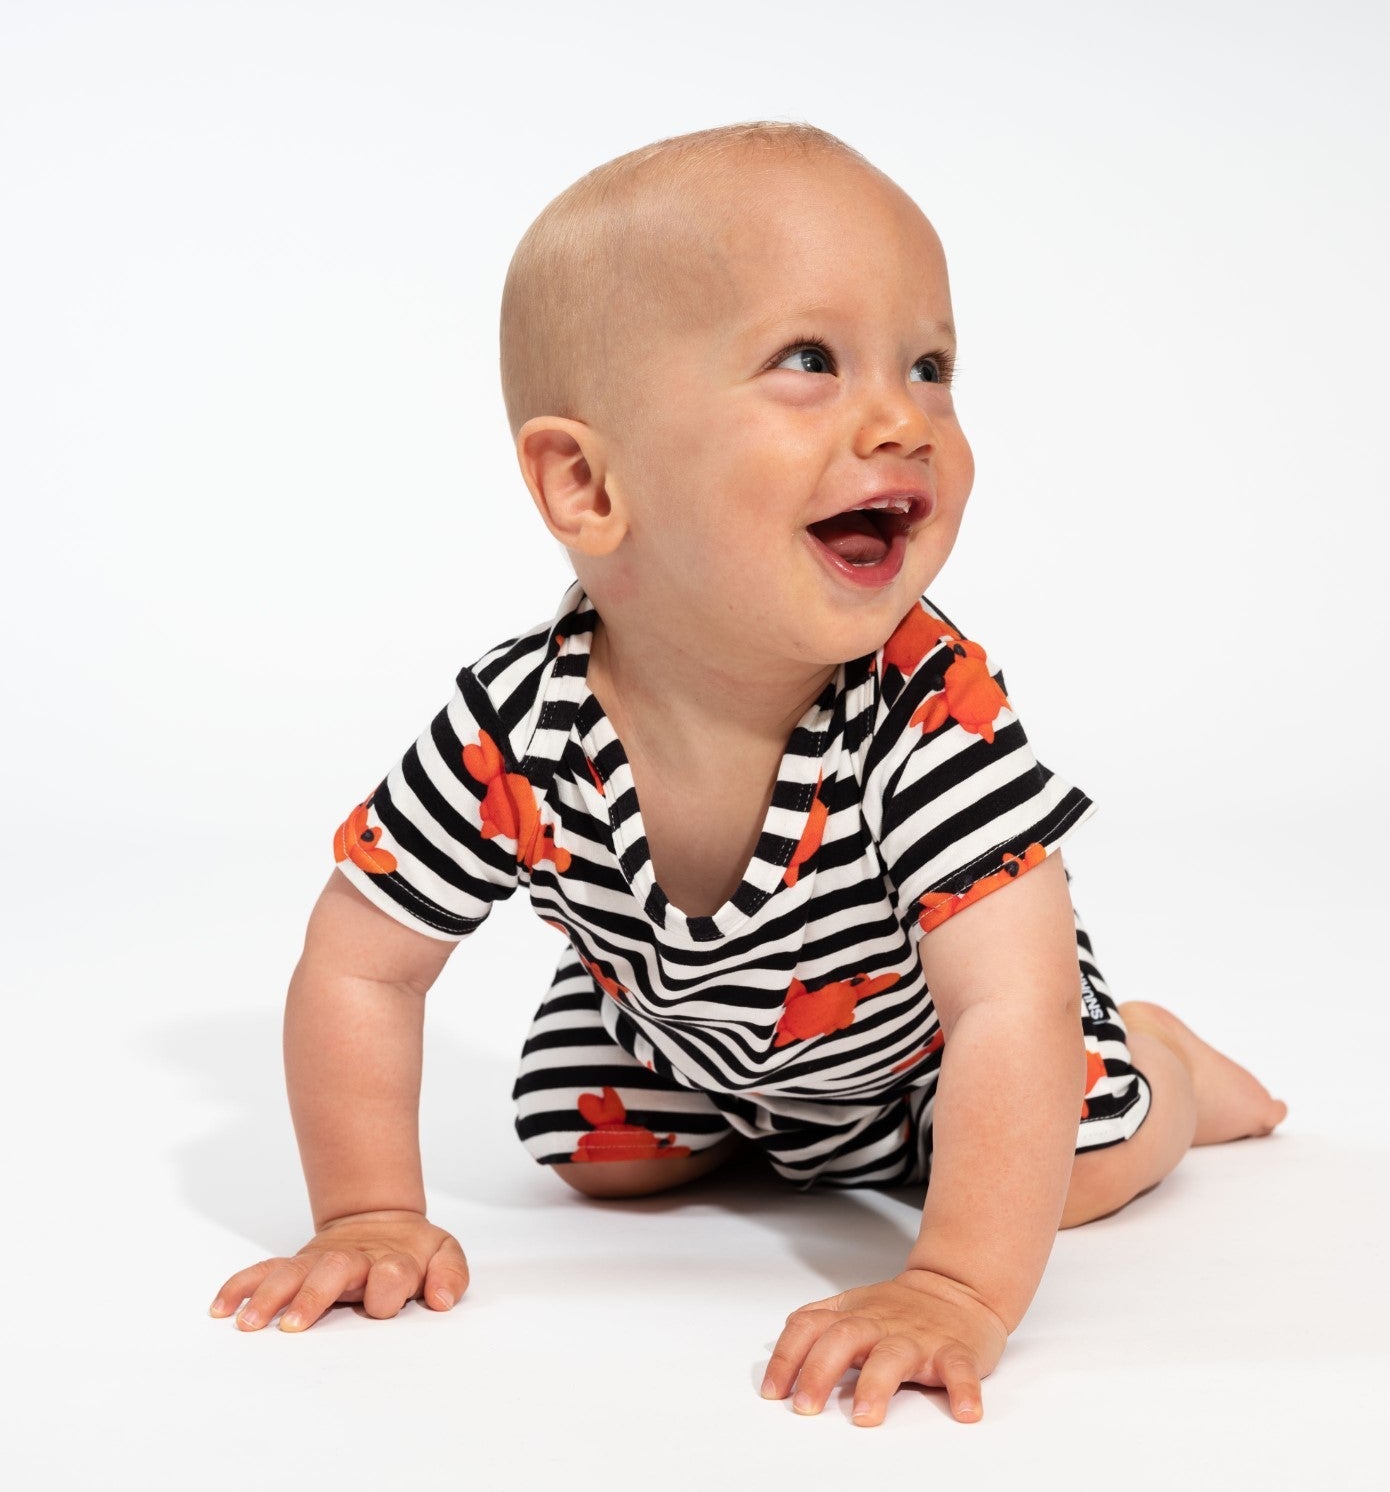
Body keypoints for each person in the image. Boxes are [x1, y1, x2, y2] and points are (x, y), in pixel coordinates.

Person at [207, 119, 1288, 1428]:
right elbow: (362, 966)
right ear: (585, 483)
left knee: (1081, 1158)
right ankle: (770, 1137)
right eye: (811, 362)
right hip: (696, 1049)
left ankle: (1173, 1068)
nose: (905, 417)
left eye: (931, 366)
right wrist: (368, 1213)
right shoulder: (516, 723)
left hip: (938, 1058)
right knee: (585, 1148)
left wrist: (953, 1285)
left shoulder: (924, 706)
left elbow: (1012, 1005)